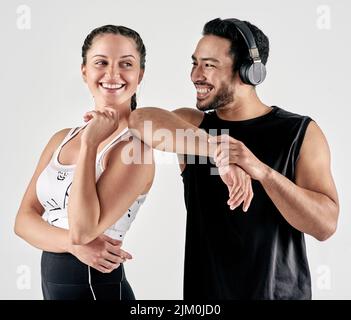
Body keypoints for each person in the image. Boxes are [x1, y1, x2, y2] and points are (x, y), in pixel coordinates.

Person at [128, 18, 339, 299]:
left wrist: (262, 172)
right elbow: (140, 119)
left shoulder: (300, 132)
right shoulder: (192, 127)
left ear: (249, 71)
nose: (196, 75)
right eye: (195, 63)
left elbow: (325, 226)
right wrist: (219, 150)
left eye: (209, 65)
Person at [14, 25, 155, 300]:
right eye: (101, 62)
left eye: (126, 64)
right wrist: (73, 245)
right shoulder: (60, 139)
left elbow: (83, 229)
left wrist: (90, 145)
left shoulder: (136, 150)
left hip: (97, 289)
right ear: (84, 72)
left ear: (140, 76)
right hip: (54, 287)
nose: (112, 74)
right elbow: (23, 221)